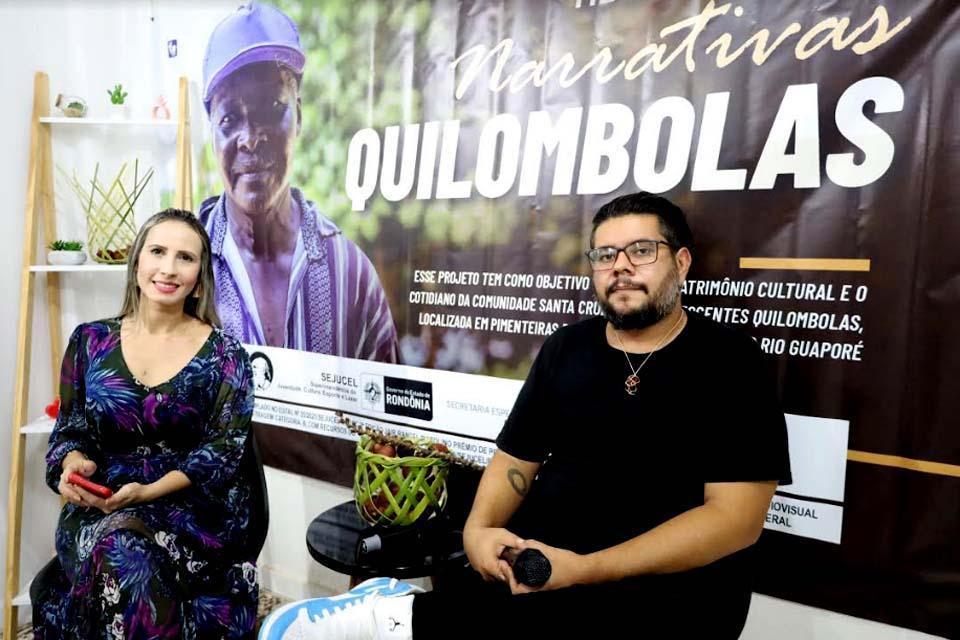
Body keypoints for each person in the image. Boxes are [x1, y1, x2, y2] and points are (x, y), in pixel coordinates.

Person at [258, 192, 793, 639]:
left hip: (671, 590)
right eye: (605, 255)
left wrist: (583, 569)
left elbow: (735, 522)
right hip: (546, 562)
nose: (620, 266)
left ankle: (395, 618)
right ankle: (396, 615)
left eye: (641, 250)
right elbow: (516, 458)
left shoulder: (732, 363)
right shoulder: (568, 348)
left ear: (681, 263)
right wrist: (479, 530)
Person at [35, 209, 259, 639]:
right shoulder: (89, 341)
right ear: (136, 261)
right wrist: (72, 467)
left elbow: (222, 454)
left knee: (126, 555)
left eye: (185, 258)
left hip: (192, 511)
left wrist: (148, 492)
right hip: (98, 508)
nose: (169, 269)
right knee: (120, 548)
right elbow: (69, 433)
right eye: (157, 251)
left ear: (200, 276)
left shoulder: (228, 356)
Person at [199, 2, 399, 362]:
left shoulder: (351, 274)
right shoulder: (185, 270)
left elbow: (385, 410)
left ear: (300, 117)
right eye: (229, 119)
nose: (249, 139)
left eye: (270, 109)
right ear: (211, 131)